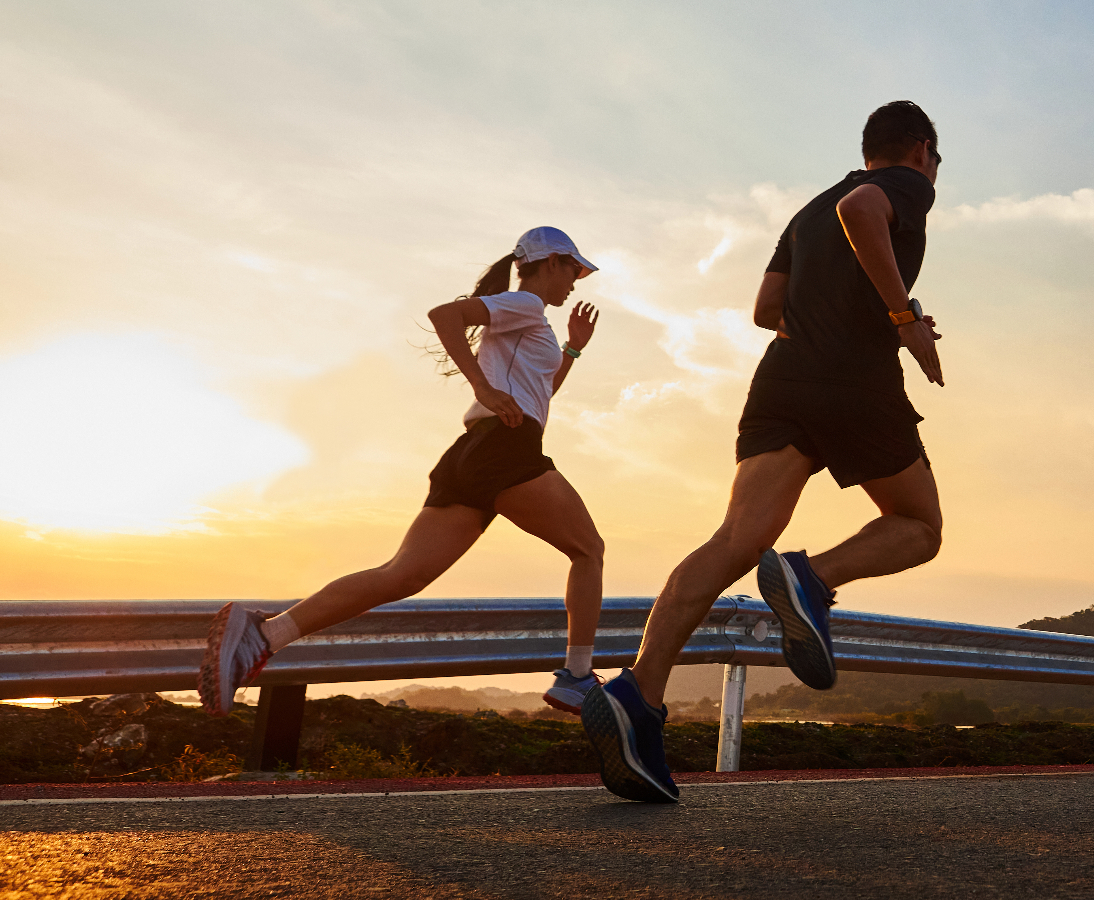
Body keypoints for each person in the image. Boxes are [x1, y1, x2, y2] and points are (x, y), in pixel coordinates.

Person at [582, 102, 946, 802]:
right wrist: (902, 320)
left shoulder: (809, 209)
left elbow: (766, 307)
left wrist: (872, 307)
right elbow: (866, 210)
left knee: (737, 538)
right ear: (921, 150)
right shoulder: (900, 185)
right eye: (934, 161)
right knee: (918, 527)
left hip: (783, 379)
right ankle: (814, 578)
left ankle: (639, 692)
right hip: (856, 382)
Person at [199, 227, 610, 718]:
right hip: (505, 450)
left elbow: (539, 394)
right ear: (552, 263)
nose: (576, 283)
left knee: (401, 576)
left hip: (474, 454)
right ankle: (577, 677)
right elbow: (445, 316)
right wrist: (483, 387)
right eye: (573, 270)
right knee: (588, 549)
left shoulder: (528, 320)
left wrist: (572, 350)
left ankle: (267, 633)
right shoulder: (523, 305)